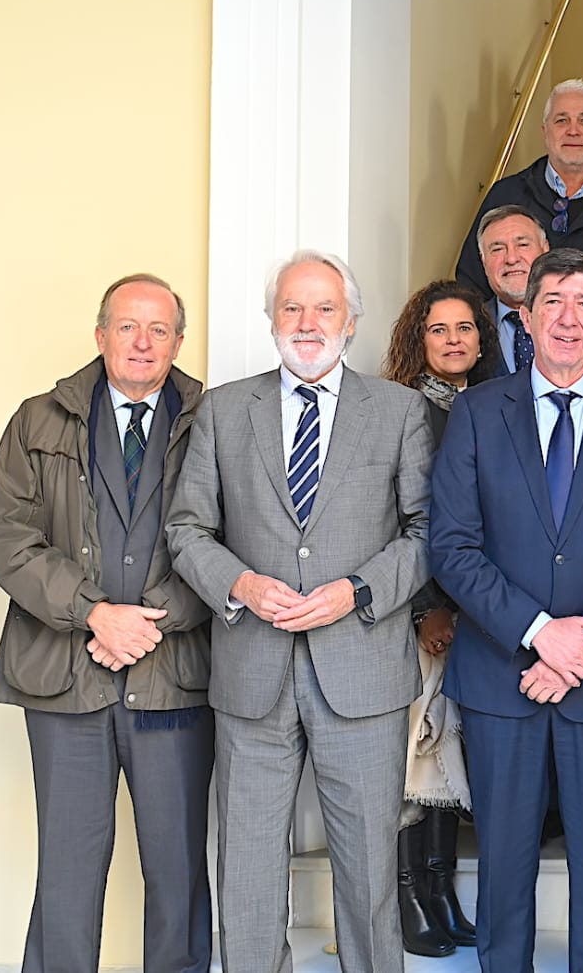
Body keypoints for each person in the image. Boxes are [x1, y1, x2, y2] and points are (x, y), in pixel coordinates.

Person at [166, 250, 434, 972]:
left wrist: (357, 591)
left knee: (370, 869)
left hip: (364, 672)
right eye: (292, 308)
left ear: (351, 321)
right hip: (252, 671)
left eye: (323, 309)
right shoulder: (223, 410)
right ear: (271, 319)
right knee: (248, 866)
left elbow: (428, 533)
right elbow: (187, 529)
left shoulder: (401, 411)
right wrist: (242, 585)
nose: (307, 323)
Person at [429, 248, 583, 972]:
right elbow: (452, 546)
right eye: (552, 303)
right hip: (500, 679)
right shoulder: (477, 414)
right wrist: (541, 634)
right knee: (504, 864)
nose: (567, 318)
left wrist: (582, 648)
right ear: (527, 316)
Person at [0, 274, 212, 972]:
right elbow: (7, 536)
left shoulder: (215, 420)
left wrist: (153, 621)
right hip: (63, 679)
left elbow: (237, 542)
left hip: (173, 680)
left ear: (178, 340)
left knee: (177, 874)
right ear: (100, 334)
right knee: (68, 872)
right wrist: (92, 615)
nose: (142, 342)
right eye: (126, 326)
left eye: (158, 329)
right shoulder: (37, 419)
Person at [381, 279, 500, 956]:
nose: (454, 340)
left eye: (465, 328)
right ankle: (411, 901)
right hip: (419, 613)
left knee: (451, 764)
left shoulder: (492, 407)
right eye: (438, 329)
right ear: (416, 341)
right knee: (417, 758)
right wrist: (429, 608)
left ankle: (442, 890)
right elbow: (401, 520)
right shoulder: (400, 411)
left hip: (475, 611)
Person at [457, 79, 583, 302]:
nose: (573, 131)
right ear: (545, 132)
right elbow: (471, 286)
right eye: (561, 120)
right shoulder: (505, 197)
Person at [474, 204, 583, 376]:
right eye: (497, 249)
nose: (511, 259)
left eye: (523, 244)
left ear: (545, 249)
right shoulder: (470, 324)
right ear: (484, 262)